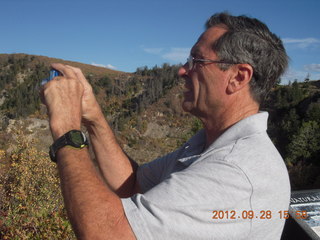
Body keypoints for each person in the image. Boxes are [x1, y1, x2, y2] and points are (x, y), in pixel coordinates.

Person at [41, 12, 290, 239]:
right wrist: (93, 118)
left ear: (238, 77)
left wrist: (67, 132)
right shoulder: (207, 145)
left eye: (197, 60)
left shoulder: (235, 172)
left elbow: (108, 233)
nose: (183, 70)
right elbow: (132, 184)